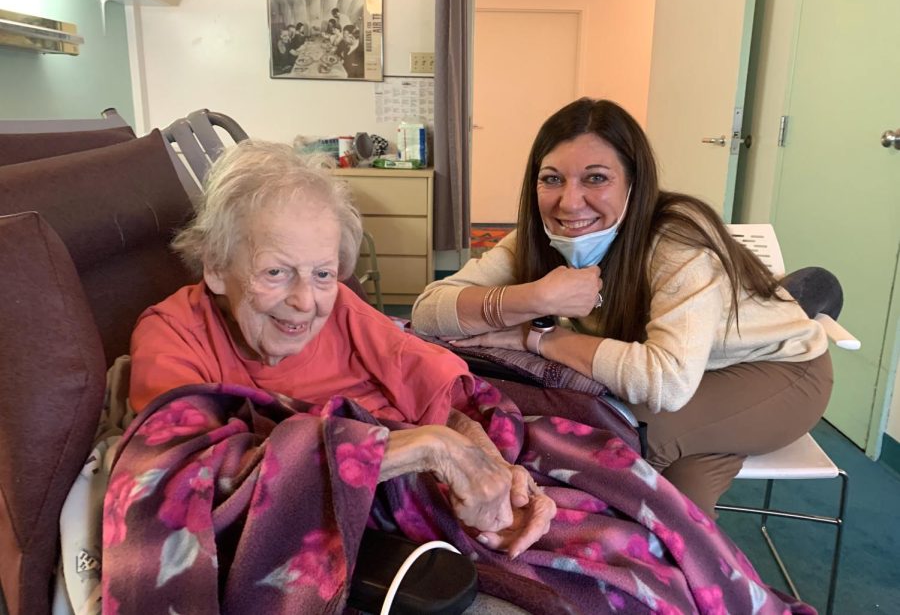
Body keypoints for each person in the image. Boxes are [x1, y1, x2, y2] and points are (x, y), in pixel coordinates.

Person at [104, 140, 813, 614]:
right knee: (621, 569)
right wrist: (421, 448)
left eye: (323, 272)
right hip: (381, 494)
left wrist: (490, 460)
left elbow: (441, 382)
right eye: (275, 272)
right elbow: (192, 477)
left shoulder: (341, 309)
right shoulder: (173, 335)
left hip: (450, 471)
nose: (304, 300)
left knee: (627, 489)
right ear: (217, 266)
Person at [411, 97, 832, 518]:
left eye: (596, 178)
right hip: (692, 372)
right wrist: (537, 297)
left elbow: (664, 383)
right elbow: (428, 312)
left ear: (634, 182)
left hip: (782, 371)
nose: (570, 203)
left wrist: (536, 335)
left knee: (621, 438)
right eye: (552, 179)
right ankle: (683, 569)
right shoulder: (538, 238)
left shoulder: (678, 241)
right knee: (680, 495)